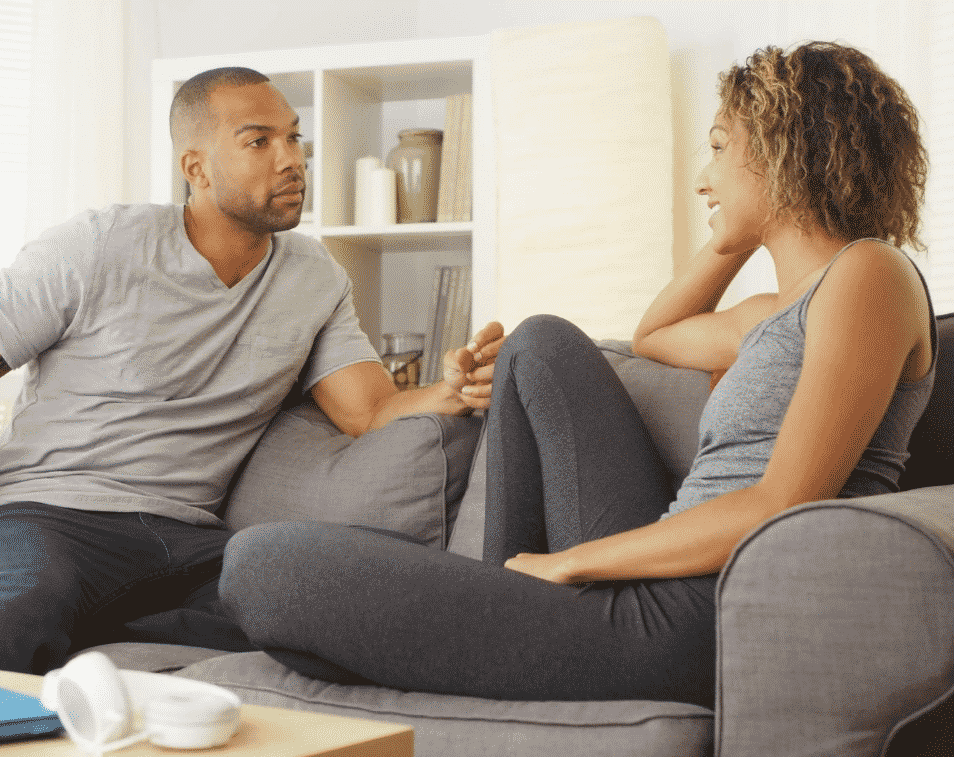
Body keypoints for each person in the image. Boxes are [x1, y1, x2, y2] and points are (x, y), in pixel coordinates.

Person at [217, 42, 937, 708]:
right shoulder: (770, 312)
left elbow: (780, 500)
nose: (701, 177)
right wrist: (733, 234)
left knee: (263, 560)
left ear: (785, 151)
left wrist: (570, 564)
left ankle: (496, 615)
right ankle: (495, 614)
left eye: (719, 149)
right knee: (541, 343)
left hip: (693, 616)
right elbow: (654, 336)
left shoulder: (868, 275)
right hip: (656, 585)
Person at [0, 66, 499, 674]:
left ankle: (92, 620)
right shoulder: (97, 247)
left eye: (295, 139)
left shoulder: (314, 278)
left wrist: (451, 390)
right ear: (195, 167)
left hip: (185, 542)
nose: (292, 160)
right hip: (41, 518)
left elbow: (370, 411)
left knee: (343, 611)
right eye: (258, 141)